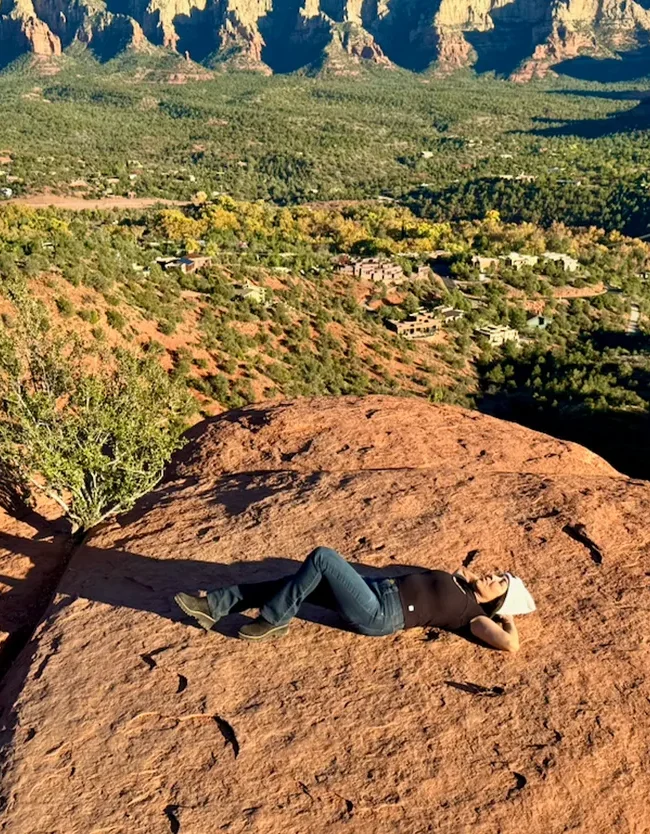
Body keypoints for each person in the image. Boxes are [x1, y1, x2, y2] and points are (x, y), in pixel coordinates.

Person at [174, 545, 536, 651]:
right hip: (374, 590)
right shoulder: (465, 584)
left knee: (322, 558)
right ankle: (213, 607)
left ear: (499, 602)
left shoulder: (474, 617)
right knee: (295, 581)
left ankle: (274, 621)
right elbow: (467, 574)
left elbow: (510, 645)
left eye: (500, 583)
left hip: (380, 614)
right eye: (498, 574)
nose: (493, 576)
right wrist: (475, 579)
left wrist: (509, 615)